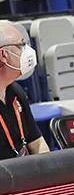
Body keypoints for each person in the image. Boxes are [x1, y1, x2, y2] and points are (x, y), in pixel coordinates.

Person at [0, 21, 48, 159]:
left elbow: (37, 143)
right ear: (3, 55)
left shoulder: (15, 91)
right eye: (21, 45)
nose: (27, 51)